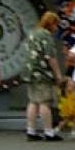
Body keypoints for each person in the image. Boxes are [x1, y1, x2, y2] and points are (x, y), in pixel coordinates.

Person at [23, 11, 68, 142]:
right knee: (44, 102)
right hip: (42, 72)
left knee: (32, 101)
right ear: (51, 23)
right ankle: (48, 131)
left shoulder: (33, 33)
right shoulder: (46, 36)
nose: (56, 28)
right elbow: (50, 57)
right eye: (56, 24)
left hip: (30, 71)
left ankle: (31, 130)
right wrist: (58, 75)